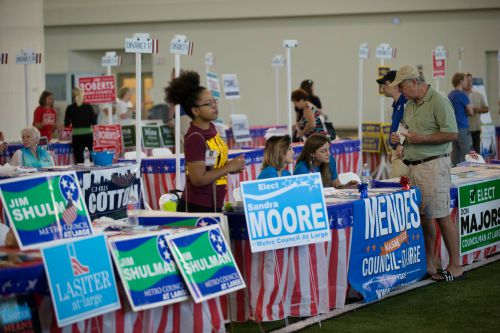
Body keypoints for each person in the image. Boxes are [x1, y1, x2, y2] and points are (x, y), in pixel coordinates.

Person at [389, 65, 462, 281]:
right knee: (424, 216)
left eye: (401, 86)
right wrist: (398, 139)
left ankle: (456, 264)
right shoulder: (410, 105)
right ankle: (431, 262)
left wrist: (421, 140)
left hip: (433, 166)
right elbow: (405, 129)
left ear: (413, 82)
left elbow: (452, 134)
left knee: (441, 215)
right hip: (414, 166)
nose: (400, 91)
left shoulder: (439, 101)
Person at [165, 71, 245, 212]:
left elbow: (210, 165)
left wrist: (227, 167)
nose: (214, 106)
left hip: (214, 203)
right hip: (197, 207)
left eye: (214, 101)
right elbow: (198, 179)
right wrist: (228, 168)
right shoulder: (195, 137)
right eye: (208, 104)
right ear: (195, 111)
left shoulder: (211, 128)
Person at [376, 70, 408, 178]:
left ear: (393, 85)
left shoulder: (405, 102)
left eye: (384, 84)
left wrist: (401, 144)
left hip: (402, 152)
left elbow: (407, 123)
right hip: (397, 151)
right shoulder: (397, 104)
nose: (382, 88)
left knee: (396, 186)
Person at [64, 88, 97, 163]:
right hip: (88, 135)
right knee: (89, 157)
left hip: (77, 135)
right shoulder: (88, 107)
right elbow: (94, 122)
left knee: (79, 158)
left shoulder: (70, 108)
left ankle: (80, 174)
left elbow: (66, 124)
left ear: (73, 96)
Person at [448, 73, 474, 165]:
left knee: (455, 155)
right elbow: (471, 112)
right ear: (461, 81)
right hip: (462, 128)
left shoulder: (450, 95)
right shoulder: (462, 95)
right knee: (467, 154)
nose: (467, 82)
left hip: (452, 129)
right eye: (466, 80)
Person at [465, 73, 489, 154]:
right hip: (464, 129)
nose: (468, 83)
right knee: (466, 152)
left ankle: (477, 166)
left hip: (476, 128)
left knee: (476, 151)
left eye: (470, 81)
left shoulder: (478, 95)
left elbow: (486, 108)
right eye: (467, 81)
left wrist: (476, 110)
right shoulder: (460, 95)